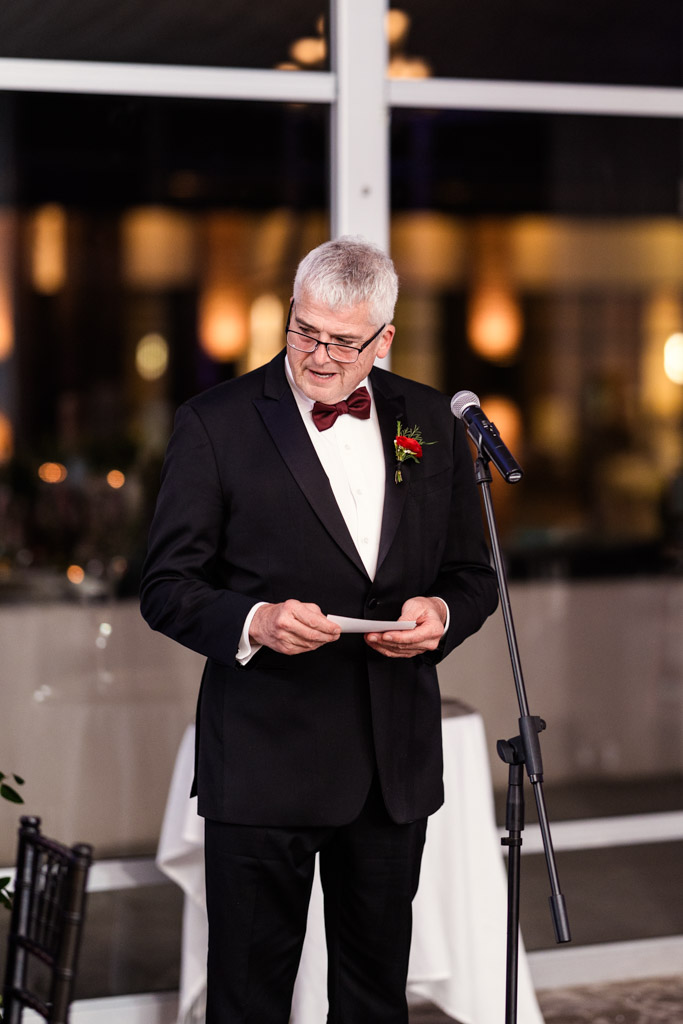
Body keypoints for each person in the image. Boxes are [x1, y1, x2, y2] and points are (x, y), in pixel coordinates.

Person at [140, 236, 498, 1024]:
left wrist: (440, 616)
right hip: (265, 763)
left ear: (384, 338)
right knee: (249, 1001)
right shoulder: (215, 423)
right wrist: (255, 621)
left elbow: (473, 576)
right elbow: (165, 587)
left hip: (389, 767)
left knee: (374, 999)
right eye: (305, 331)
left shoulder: (431, 420)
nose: (319, 355)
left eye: (344, 341)